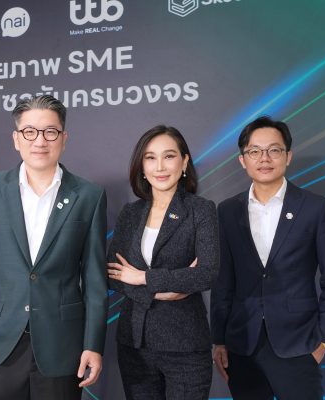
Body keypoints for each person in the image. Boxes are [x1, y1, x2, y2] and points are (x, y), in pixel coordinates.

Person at [0, 95, 108, 400]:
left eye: (50, 132)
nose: (39, 141)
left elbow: (95, 280)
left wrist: (93, 344)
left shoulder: (89, 196)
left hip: (62, 345)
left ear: (64, 138)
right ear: (16, 139)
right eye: (29, 131)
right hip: (0, 344)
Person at [211, 116, 325, 399]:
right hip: (242, 344)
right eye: (255, 151)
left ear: (288, 156)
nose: (264, 158)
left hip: (299, 344)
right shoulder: (227, 211)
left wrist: (324, 340)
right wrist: (219, 340)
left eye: (274, 150)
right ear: (243, 160)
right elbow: (223, 281)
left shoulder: (316, 208)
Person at [106, 125, 218, 399]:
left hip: (185, 345)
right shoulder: (131, 213)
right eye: (150, 157)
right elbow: (114, 274)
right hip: (135, 343)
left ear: (184, 162)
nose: (160, 166)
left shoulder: (201, 210)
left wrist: (144, 278)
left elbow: (206, 273)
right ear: (142, 167)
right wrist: (167, 288)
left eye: (169, 156)